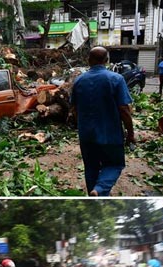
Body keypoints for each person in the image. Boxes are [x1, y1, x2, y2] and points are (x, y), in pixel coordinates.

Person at [70, 46, 134, 196]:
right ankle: (99, 190)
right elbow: (124, 109)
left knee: (91, 167)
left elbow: (74, 109)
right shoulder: (116, 79)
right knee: (114, 164)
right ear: (107, 60)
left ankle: (95, 193)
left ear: (89, 60)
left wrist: (82, 125)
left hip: (86, 135)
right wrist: (130, 133)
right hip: (110, 135)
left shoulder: (79, 81)